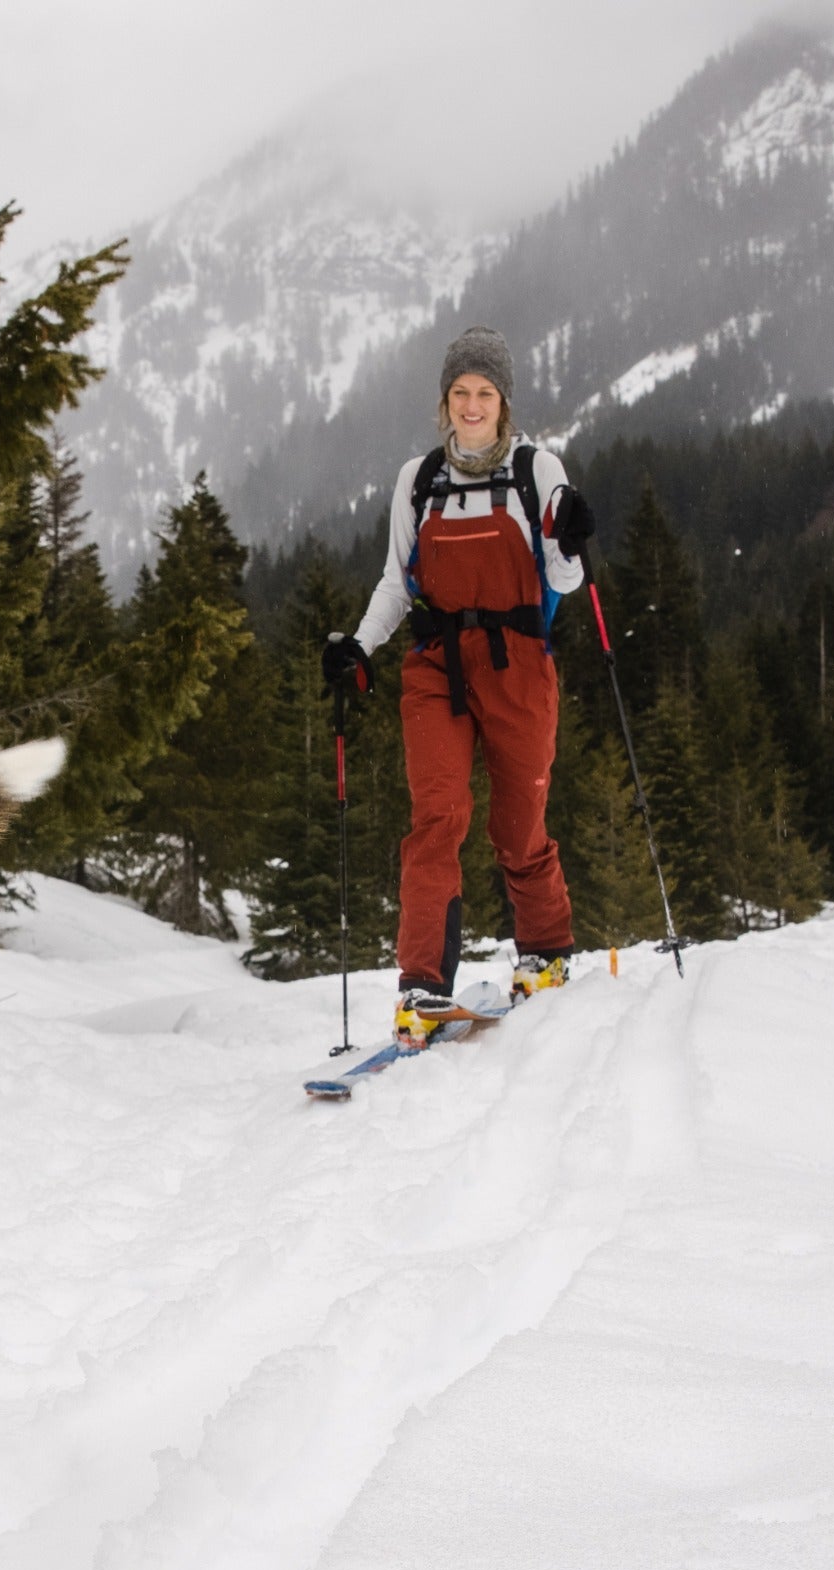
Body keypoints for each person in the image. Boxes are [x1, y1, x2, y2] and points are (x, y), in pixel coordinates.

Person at [322, 325, 596, 1048]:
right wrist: (359, 644)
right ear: (444, 401)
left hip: (518, 663)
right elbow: (396, 580)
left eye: (485, 392)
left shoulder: (539, 470)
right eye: (460, 392)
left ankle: (542, 950)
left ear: (504, 402)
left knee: (518, 822)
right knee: (436, 818)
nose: (472, 405)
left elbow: (565, 580)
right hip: (436, 665)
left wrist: (570, 537)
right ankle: (422, 987)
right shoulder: (419, 480)